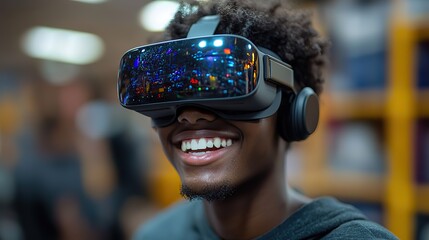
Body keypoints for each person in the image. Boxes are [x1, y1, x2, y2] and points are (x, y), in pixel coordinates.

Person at [118, 0, 398, 239]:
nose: (190, 114)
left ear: (294, 111)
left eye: (229, 87)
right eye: (170, 95)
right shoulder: (157, 234)